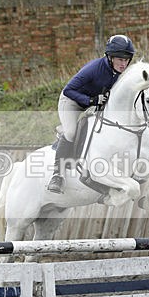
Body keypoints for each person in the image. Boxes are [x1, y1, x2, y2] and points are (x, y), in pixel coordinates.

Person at [46, 34, 136, 194]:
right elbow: (68, 90)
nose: (124, 63)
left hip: (94, 104)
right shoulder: (93, 69)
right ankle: (57, 175)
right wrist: (91, 100)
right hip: (71, 102)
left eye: (126, 59)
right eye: (120, 59)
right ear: (109, 57)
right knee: (72, 132)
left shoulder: (120, 74)